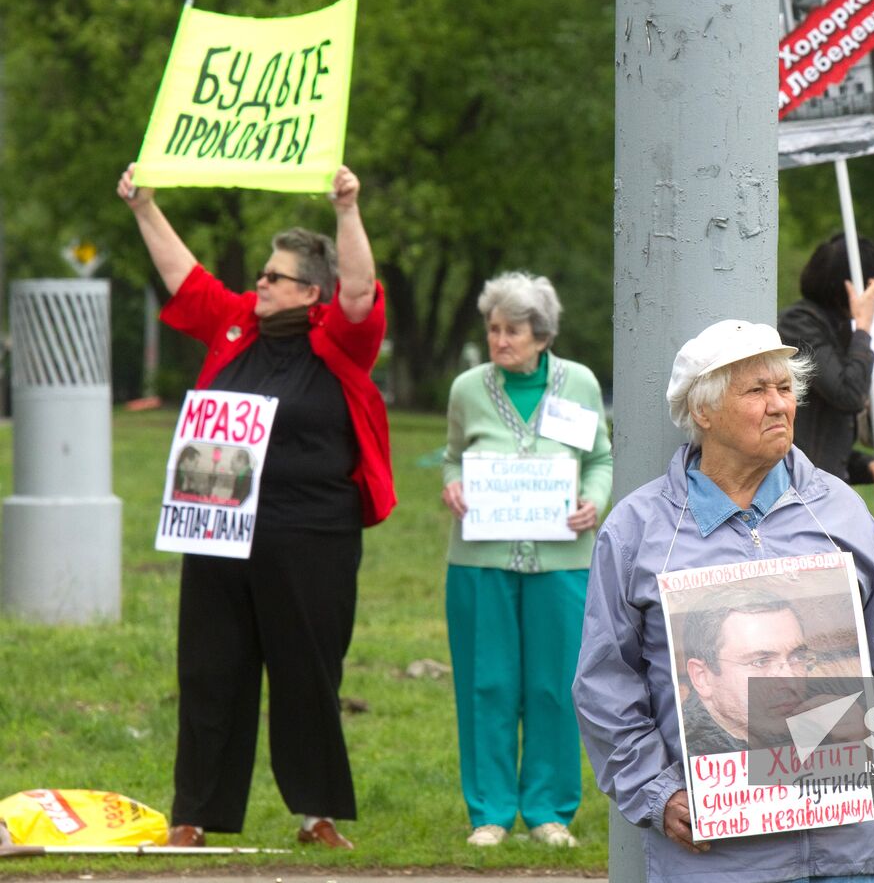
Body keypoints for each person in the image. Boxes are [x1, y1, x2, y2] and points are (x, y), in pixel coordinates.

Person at [117, 162, 394, 851]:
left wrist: (348, 210)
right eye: (261, 276)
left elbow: (361, 289)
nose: (257, 284)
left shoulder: (340, 339)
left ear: (308, 290)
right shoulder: (236, 325)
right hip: (218, 528)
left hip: (311, 534)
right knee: (211, 669)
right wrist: (145, 207)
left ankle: (316, 814)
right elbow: (187, 278)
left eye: (272, 277)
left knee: (307, 673)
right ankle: (195, 813)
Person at [573, 319, 874, 883]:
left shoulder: (841, 511)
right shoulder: (637, 531)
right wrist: (660, 792)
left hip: (844, 849)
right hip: (716, 861)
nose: (780, 406)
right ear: (703, 412)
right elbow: (605, 686)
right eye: (756, 391)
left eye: (783, 389)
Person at [440, 271, 613, 849]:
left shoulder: (580, 384)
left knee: (555, 685)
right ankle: (489, 812)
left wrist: (594, 501)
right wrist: (453, 486)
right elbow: (451, 458)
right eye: (492, 329)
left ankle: (549, 812)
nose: (499, 341)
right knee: (485, 684)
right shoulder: (467, 389)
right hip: (480, 561)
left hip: (563, 561)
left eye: (511, 331)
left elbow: (600, 459)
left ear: (541, 335)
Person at [777, 233, 874, 497]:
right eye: (873, 283)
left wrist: (869, 466)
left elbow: (828, 441)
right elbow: (848, 394)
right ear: (851, 286)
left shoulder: (843, 332)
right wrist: (864, 328)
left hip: (822, 496)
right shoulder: (799, 326)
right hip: (795, 497)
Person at [679, 588, 817, 756]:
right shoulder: (678, 760)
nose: (791, 681)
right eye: (760, 662)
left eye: (797, 658)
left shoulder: (813, 723)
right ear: (702, 677)